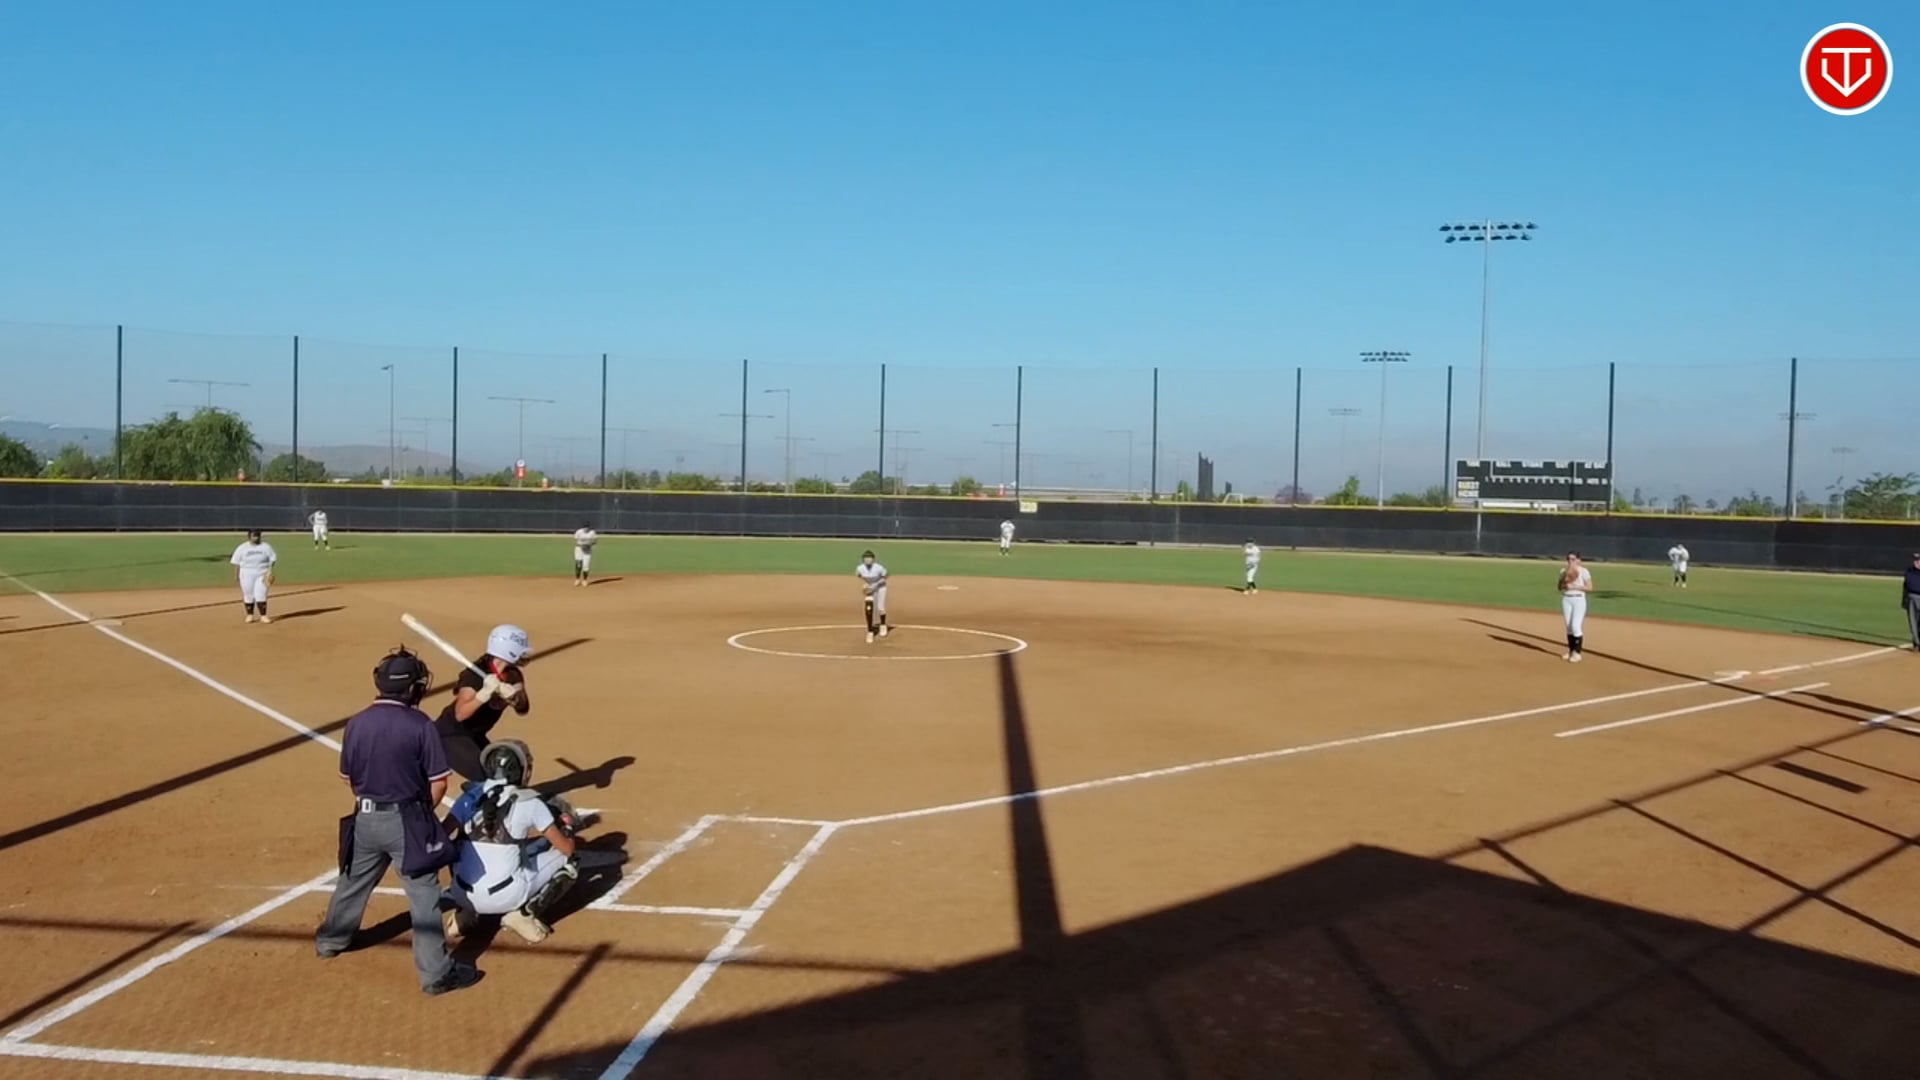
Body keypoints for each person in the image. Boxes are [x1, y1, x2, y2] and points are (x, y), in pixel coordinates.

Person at [315, 647, 482, 996]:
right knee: (424, 893)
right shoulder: (420, 725)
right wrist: (419, 814)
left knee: (353, 880)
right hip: (406, 820)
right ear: (412, 688)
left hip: (365, 818)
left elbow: (347, 778)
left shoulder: (356, 723)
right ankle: (435, 974)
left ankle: (331, 940)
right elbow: (439, 782)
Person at [442, 739, 580, 945]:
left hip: (461, 893)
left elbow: (441, 837)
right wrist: (568, 828)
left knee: (457, 845)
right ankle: (523, 915)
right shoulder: (530, 802)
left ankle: (465, 914)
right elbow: (567, 849)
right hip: (508, 896)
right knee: (571, 862)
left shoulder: (468, 797)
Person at [434, 624, 532, 778]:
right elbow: (460, 714)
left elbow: (523, 708)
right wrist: (484, 694)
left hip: (475, 734)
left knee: (500, 770)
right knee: (484, 774)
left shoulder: (513, 675)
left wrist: (514, 697)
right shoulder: (474, 675)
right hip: (451, 734)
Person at [230, 529, 278, 624]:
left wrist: (269, 571)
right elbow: (236, 562)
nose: (256, 538)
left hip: (262, 573)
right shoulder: (242, 548)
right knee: (248, 594)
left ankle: (263, 616)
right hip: (246, 573)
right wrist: (236, 575)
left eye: (257, 535)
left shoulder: (266, 547)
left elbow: (272, 559)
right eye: (254, 536)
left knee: (261, 594)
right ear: (249, 537)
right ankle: (250, 615)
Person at [1559, 551, 1593, 663]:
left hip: (1579, 599)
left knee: (1575, 626)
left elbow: (1590, 588)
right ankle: (1571, 651)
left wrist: (1575, 586)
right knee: (1569, 627)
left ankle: (1577, 653)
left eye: (1573, 559)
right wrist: (1565, 583)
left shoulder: (1584, 571)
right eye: (1568, 559)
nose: (1570, 561)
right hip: (1567, 599)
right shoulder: (1563, 571)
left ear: (1579, 560)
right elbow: (1559, 587)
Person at [857, 550, 889, 643]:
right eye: (866, 558)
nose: (868, 560)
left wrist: (875, 584)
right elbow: (859, 575)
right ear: (863, 559)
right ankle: (870, 631)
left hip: (880, 587)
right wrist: (866, 585)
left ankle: (883, 625)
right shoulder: (860, 568)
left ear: (873, 559)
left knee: (880, 607)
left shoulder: (878, 568)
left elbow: (885, 576)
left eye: (870, 558)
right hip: (870, 588)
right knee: (868, 606)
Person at [1903, 552, 1920, 651]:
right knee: (1913, 622)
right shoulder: (1909, 571)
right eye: (1915, 560)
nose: (1917, 562)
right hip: (1912, 598)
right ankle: (1916, 643)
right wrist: (1904, 600)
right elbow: (1905, 587)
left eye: (1918, 560)